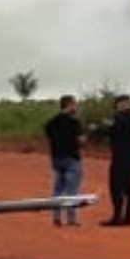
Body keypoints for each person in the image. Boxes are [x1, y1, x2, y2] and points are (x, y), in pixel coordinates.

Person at [43, 94, 84, 226]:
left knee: (58, 189)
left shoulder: (51, 122)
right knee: (71, 191)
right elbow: (81, 140)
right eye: (74, 104)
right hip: (71, 158)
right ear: (69, 105)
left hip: (57, 159)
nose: (76, 107)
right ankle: (71, 219)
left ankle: (56, 217)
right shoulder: (75, 122)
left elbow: (48, 136)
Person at [100, 94, 130, 226]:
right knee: (128, 187)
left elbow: (115, 128)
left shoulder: (124, 117)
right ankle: (128, 217)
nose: (123, 105)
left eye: (125, 103)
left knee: (116, 187)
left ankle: (117, 218)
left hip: (121, 157)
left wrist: (108, 125)